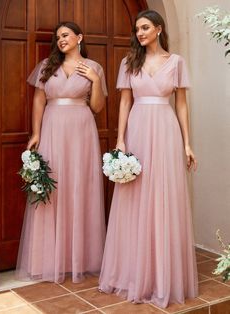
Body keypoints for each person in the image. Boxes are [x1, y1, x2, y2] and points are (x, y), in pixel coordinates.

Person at [99, 10, 198, 308]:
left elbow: (181, 104)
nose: (139, 33)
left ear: (158, 29)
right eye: (137, 29)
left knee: (164, 196)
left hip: (166, 130)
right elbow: (125, 102)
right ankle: (133, 273)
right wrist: (120, 138)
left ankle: (163, 275)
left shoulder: (177, 61)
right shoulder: (129, 62)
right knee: (135, 196)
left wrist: (187, 142)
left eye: (145, 28)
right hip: (138, 129)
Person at [16, 21, 107, 283]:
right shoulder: (47, 66)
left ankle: (83, 258)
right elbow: (38, 100)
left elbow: (98, 107)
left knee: (80, 187)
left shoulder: (94, 68)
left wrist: (96, 80)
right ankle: (46, 259)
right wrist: (36, 133)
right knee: (52, 190)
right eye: (57, 37)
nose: (61, 40)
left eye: (65, 35)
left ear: (80, 37)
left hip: (82, 130)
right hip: (53, 128)